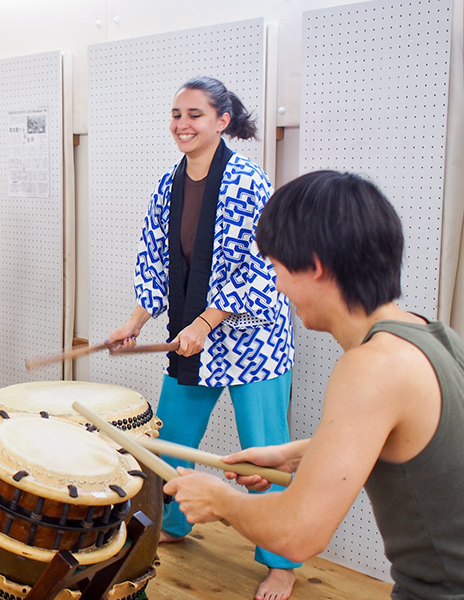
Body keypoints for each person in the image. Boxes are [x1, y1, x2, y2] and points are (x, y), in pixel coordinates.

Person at [164, 170, 464, 599]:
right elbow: (409, 441)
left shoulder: (370, 368)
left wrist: (219, 499)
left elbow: (297, 533)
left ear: (315, 266)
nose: (277, 284)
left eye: (277, 268)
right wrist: (291, 455)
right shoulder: (429, 334)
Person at [108, 76, 299, 600]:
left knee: (265, 452)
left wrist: (206, 323)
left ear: (223, 121)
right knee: (171, 441)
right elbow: (155, 264)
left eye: (194, 114)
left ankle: (281, 561)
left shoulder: (248, 183)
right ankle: (175, 521)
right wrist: (136, 320)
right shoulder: (167, 186)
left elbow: (260, 269)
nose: (182, 125)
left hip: (252, 330)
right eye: (176, 114)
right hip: (192, 334)